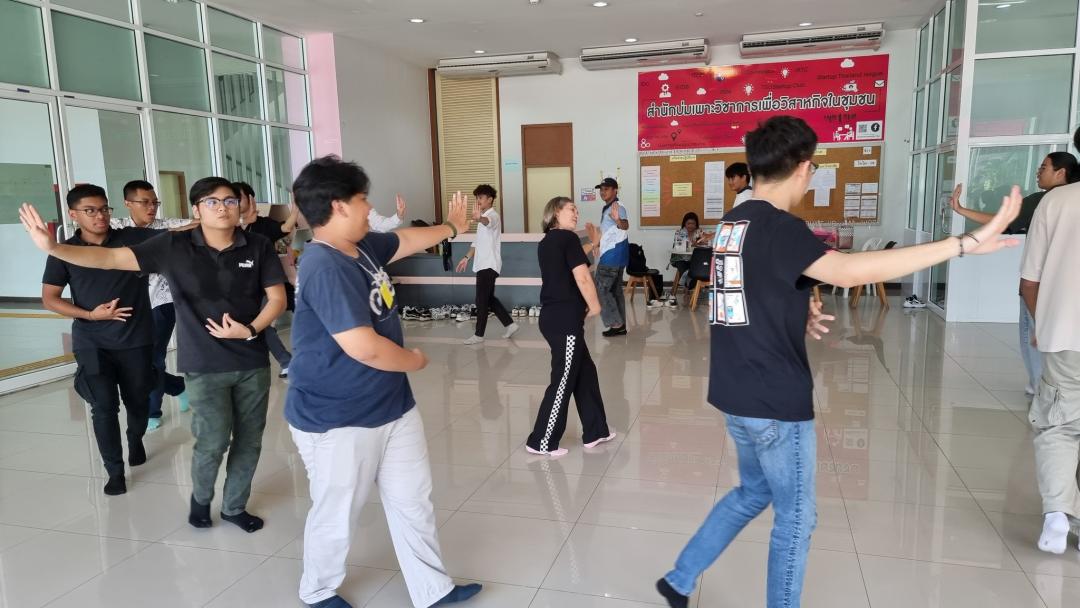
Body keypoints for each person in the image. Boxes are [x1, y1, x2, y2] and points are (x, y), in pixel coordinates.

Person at [655, 115, 1022, 608]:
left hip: (735, 393)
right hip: (774, 400)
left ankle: (679, 579)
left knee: (753, 492)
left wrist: (795, 307)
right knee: (798, 517)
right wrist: (962, 244)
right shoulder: (780, 226)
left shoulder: (732, 225)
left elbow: (751, 289)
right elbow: (847, 272)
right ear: (803, 168)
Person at [20, 177, 288, 533]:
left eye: (229, 201)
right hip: (203, 364)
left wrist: (250, 330)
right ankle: (200, 499)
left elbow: (277, 298)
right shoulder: (173, 247)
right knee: (212, 441)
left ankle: (234, 507)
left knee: (250, 440)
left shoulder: (257, 246)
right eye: (211, 202)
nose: (222, 208)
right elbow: (109, 259)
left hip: (251, 361)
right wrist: (53, 247)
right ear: (197, 209)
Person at [285, 156, 482, 608]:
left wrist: (452, 227)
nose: (369, 208)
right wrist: (415, 360)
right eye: (362, 199)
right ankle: (317, 590)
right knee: (338, 510)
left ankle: (432, 589)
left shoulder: (360, 246)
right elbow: (364, 347)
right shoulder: (324, 264)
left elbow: (406, 239)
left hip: (391, 404)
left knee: (413, 500)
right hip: (338, 416)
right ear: (338, 205)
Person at [40, 184, 160, 495]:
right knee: (103, 406)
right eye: (90, 210)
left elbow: (178, 236)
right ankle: (114, 471)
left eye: (104, 209)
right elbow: (50, 299)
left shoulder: (132, 239)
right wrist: (90, 315)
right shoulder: (64, 251)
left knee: (138, 401)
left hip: (135, 338)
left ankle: (135, 438)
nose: (100, 216)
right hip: (92, 341)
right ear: (73, 214)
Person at [951, 151, 1079, 394]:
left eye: (1044, 167)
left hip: (1042, 284)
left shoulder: (1046, 200)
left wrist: (961, 210)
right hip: (1069, 287)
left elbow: (1002, 222)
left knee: (1034, 332)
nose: (1038, 172)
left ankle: (1039, 385)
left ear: (1061, 172)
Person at [1019, 129, 1080, 555]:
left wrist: (1043, 321)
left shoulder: (1056, 202)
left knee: (1060, 425)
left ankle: (1058, 513)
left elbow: (1029, 282)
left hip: (1065, 336)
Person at [525, 196, 615, 456]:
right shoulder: (568, 238)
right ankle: (541, 441)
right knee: (564, 379)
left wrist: (593, 244)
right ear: (555, 212)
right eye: (571, 209)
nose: (576, 214)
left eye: (577, 210)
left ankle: (596, 430)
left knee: (585, 372)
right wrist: (595, 306)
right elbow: (582, 276)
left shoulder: (550, 241)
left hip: (555, 317)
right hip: (564, 320)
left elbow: (573, 260)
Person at [111, 180, 193, 430]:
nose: (152, 207)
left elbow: (196, 225)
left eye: (155, 202)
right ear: (128, 203)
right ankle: (176, 386)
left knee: (154, 358)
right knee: (132, 361)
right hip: (126, 303)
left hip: (161, 302)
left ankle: (152, 411)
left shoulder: (166, 225)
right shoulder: (116, 227)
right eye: (145, 202)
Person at [236, 181, 299, 378]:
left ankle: (287, 362)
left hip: (265, 286)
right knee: (255, 326)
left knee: (262, 325)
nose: (234, 202)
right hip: (240, 287)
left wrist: (295, 209)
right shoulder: (229, 226)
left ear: (250, 199)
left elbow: (285, 227)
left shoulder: (263, 224)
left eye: (238, 197)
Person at [454, 184, 519, 345]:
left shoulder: (493, 216)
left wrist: (480, 219)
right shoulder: (482, 219)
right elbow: (476, 244)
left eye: (481, 198)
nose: (478, 200)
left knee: (481, 299)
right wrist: (466, 258)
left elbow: (488, 222)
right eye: (477, 198)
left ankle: (479, 335)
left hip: (489, 265)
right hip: (482, 265)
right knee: (488, 298)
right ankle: (510, 325)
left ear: (490, 199)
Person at [594, 177, 630, 336]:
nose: (603, 192)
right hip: (617, 255)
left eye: (606, 189)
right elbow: (608, 231)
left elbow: (625, 225)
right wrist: (597, 244)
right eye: (601, 189)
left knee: (600, 289)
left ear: (615, 190)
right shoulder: (608, 207)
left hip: (612, 256)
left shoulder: (617, 207)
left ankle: (616, 324)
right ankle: (620, 326)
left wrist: (618, 220)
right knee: (615, 291)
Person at [666, 212, 710, 306]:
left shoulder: (699, 232)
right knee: (683, 266)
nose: (691, 226)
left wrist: (702, 242)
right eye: (688, 223)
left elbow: (706, 243)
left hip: (694, 258)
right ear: (684, 224)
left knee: (697, 266)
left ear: (696, 224)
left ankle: (688, 285)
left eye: (693, 223)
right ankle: (689, 285)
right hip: (680, 257)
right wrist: (693, 244)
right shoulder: (680, 232)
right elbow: (679, 246)